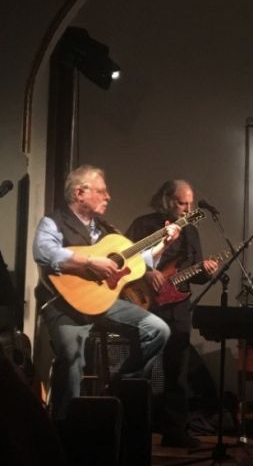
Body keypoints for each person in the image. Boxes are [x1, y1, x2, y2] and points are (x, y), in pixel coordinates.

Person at [33, 165, 178, 422]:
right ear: (80, 193)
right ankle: (66, 425)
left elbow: (135, 261)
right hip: (65, 305)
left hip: (105, 302)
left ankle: (119, 388)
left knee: (158, 330)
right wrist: (89, 262)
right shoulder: (53, 222)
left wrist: (162, 246)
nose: (108, 196)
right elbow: (44, 252)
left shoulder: (106, 229)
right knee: (71, 358)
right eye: (101, 191)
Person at [126, 180, 219, 448]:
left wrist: (206, 270)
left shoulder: (191, 232)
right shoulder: (142, 225)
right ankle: (133, 431)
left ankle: (175, 432)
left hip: (177, 309)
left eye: (190, 203)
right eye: (181, 203)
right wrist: (147, 272)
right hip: (144, 304)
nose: (187, 209)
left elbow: (194, 274)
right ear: (166, 200)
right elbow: (123, 260)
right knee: (140, 370)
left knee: (176, 372)